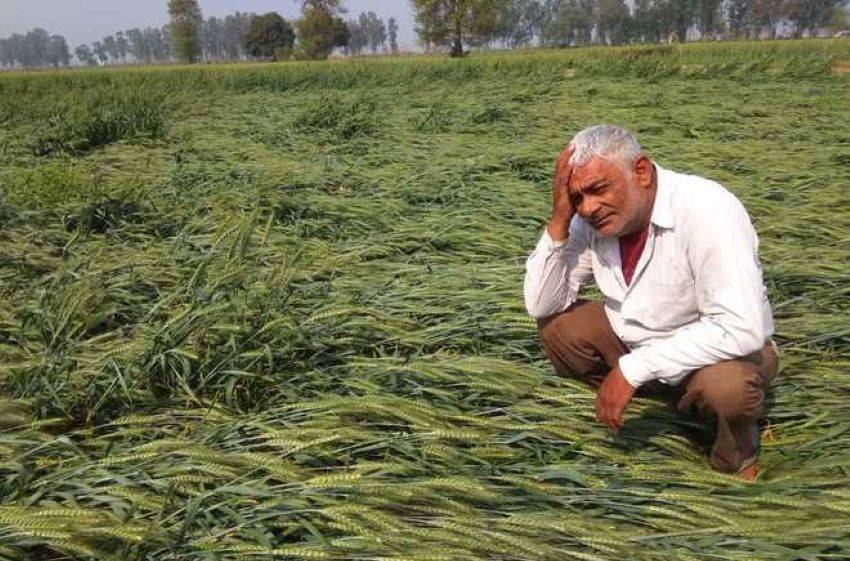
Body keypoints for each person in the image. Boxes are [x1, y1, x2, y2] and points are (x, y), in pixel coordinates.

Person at [523, 124, 778, 480]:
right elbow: (541, 304)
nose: (589, 207)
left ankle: (736, 459)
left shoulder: (706, 209)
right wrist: (560, 219)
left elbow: (740, 328)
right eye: (578, 197)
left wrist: (631, 370)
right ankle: (665, 408)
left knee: (727, 392)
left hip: (723, 353)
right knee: (558, 329)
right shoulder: (590, 219)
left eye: (598, 189)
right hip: (639, 340)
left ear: (640, 171)